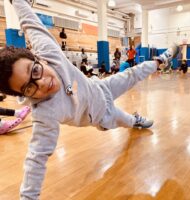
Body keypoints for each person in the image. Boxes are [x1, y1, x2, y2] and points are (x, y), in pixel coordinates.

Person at [0, 1, 179, 199]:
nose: (41, 82)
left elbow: (30, 22)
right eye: (29, 87)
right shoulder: (45, 114)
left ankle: (162, 59)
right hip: (104, 115)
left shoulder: (49, 53)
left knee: (133, 73)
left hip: (102, 87)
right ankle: (135, 120)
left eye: (35, 70)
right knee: (126, 120)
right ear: (24, 94)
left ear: (38, 59)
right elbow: (36, 159)